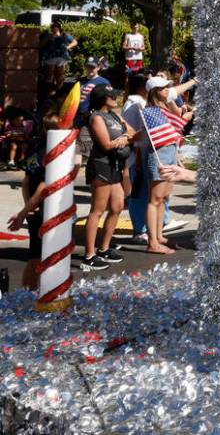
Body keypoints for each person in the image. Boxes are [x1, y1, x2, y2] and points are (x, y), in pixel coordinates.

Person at [79, 85, 134, 271]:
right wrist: (121, 141)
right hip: (100, 165)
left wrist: (125, 137)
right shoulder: (96, 117)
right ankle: (89, 255)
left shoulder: (115, 115)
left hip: (116, 166)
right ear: (102, 98)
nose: (115, 98)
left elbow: (132, 133)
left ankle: (103, 248)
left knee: (117, 206)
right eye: (111, 95)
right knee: (97, 209)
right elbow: (106, 144)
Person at [6, 107, 61, 290]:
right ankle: (37, 294)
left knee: (35, 256)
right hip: (45, 208)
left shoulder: (34, 146)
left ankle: (28, 295)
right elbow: (42, 186)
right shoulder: (50, 150)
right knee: (43, 256)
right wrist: (24, 212)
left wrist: (27, 208)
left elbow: (26, 181)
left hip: (35, 207)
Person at [137, 76, 179, 254]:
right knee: (154, 199)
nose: (167, 90)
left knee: (163, 198)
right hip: (157, 155)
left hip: (170, 153)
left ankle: (159, 235)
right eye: (163, 88)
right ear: (154, 91)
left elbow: (174, 130)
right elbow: (148, 137)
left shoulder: (165, 107)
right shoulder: (150, 111)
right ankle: (152, 241)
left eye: (168, 87)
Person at [41, 22, 77, 88]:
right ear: (51, 29)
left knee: (60, 75)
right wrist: (47, 39)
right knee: (50, 74)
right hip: (50, 56)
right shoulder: (49, 35)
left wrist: (67, 47)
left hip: (62, 56)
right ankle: (49, 91)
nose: (54, 28)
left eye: (56, 26)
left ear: (59, 28)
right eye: (53, 27)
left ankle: (59, 90)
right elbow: (41, 45)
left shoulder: (65, 35)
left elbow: (75, 42)